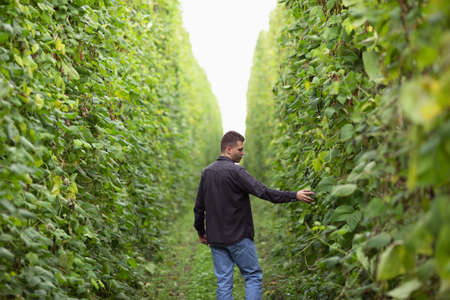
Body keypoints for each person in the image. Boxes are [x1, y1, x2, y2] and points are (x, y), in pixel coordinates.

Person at [194, 131, 314, 300]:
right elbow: (264, 192)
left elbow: (199, 207)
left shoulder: (207, 172)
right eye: (240, 150)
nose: (243, 153)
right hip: (239, 237)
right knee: (252, 276)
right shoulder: (237, 172)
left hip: (216, 239)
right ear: (229, 149)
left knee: (223, 282)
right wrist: (294, 195)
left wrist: (201, 232)